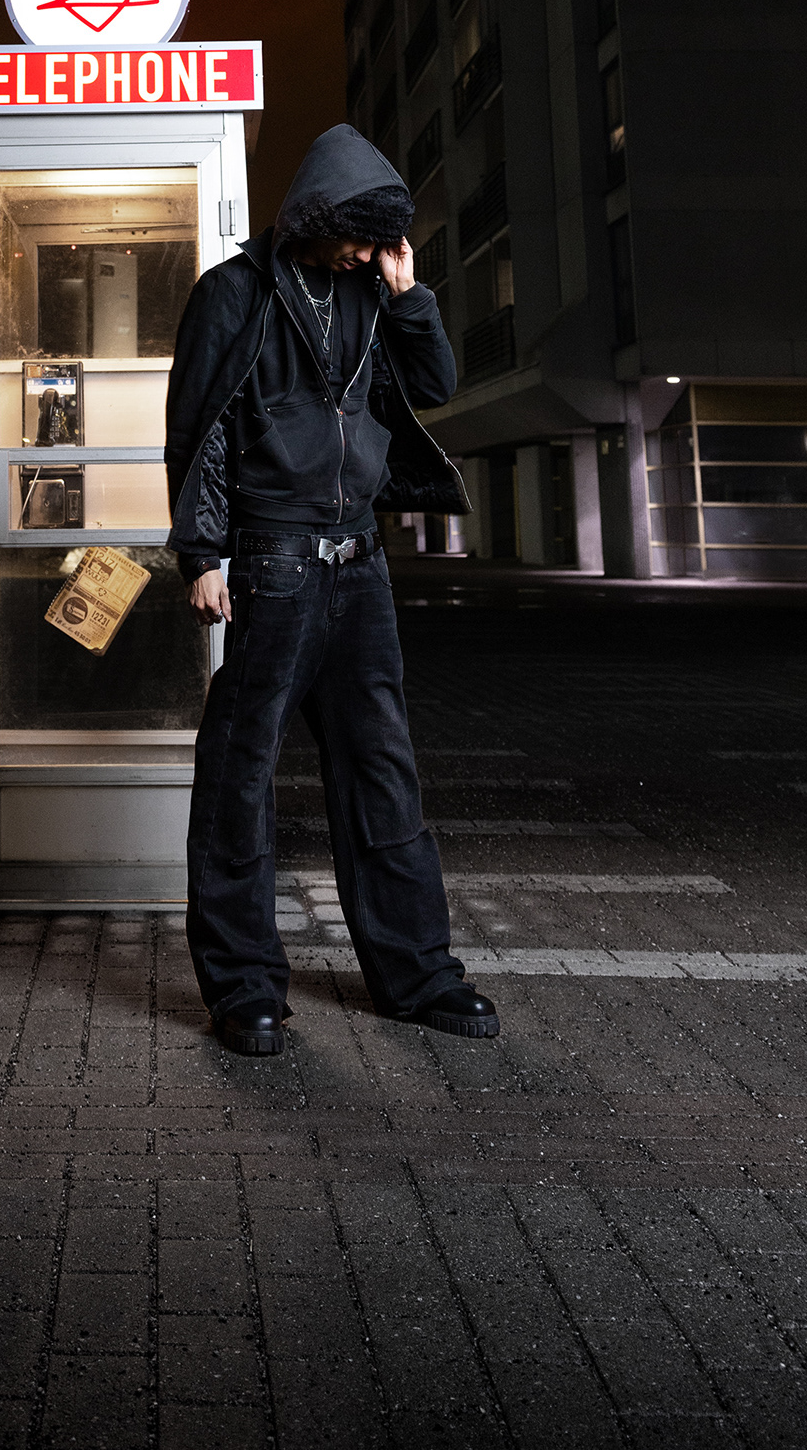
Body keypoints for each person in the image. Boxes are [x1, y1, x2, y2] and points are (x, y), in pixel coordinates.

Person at [164, 121, 499, 1056]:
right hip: (272, 563)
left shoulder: (370, 290)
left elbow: (435, 384)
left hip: (362, 566)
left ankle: (418, 973)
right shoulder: (233, 294)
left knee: (383, 770)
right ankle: (243, 987)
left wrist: (409, 294)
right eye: (358, 236)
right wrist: (201, 554)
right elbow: (197, 431)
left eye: (378, 240)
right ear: (316, 215)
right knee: (241, 774)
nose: (364, 252)